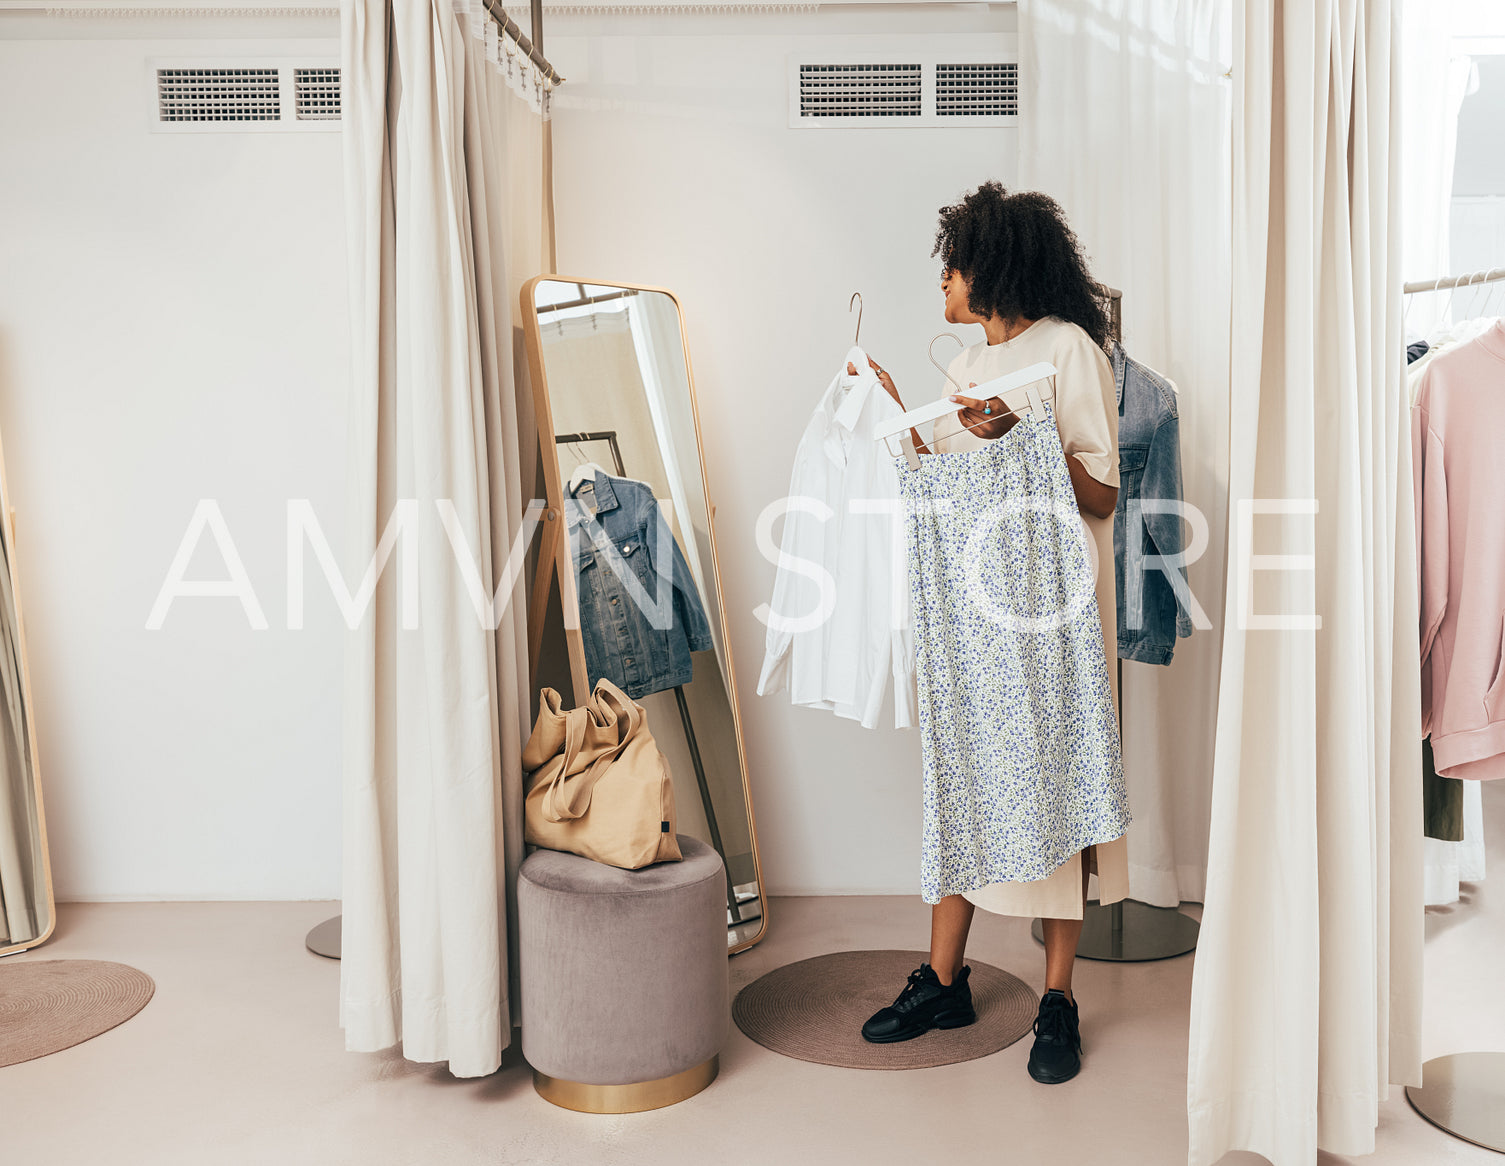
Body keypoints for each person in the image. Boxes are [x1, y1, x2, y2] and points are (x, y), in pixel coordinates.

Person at [853, 182, 1126, 1085]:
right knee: (960, 780)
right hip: (973, 616)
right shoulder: (964, 366)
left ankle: (1058, 1001)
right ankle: (943, 981)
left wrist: (1022, 436)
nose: (941, 284)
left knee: (1056, 788)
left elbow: (1100, 492)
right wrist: (900, 416)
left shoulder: (1068, 352)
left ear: (990, 267)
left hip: (1048, 614)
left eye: (951, 267)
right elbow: (947, 482)